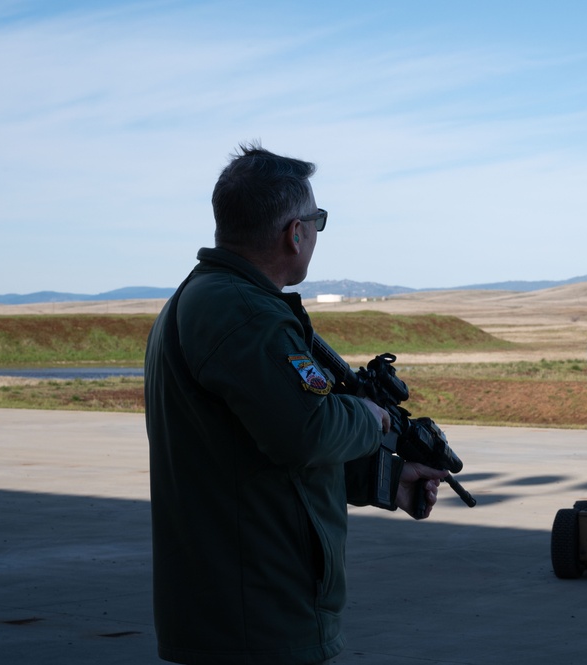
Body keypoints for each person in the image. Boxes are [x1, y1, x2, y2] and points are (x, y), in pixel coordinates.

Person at [144, 144, 449, 665]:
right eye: (317, 221)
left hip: (239, 601)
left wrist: (385, 480)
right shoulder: (245, 312)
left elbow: (258, 449)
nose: (314, 234)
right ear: (295, 232)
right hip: (258, 610)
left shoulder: (210, 298)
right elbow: (304, 431)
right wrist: (367, 416)